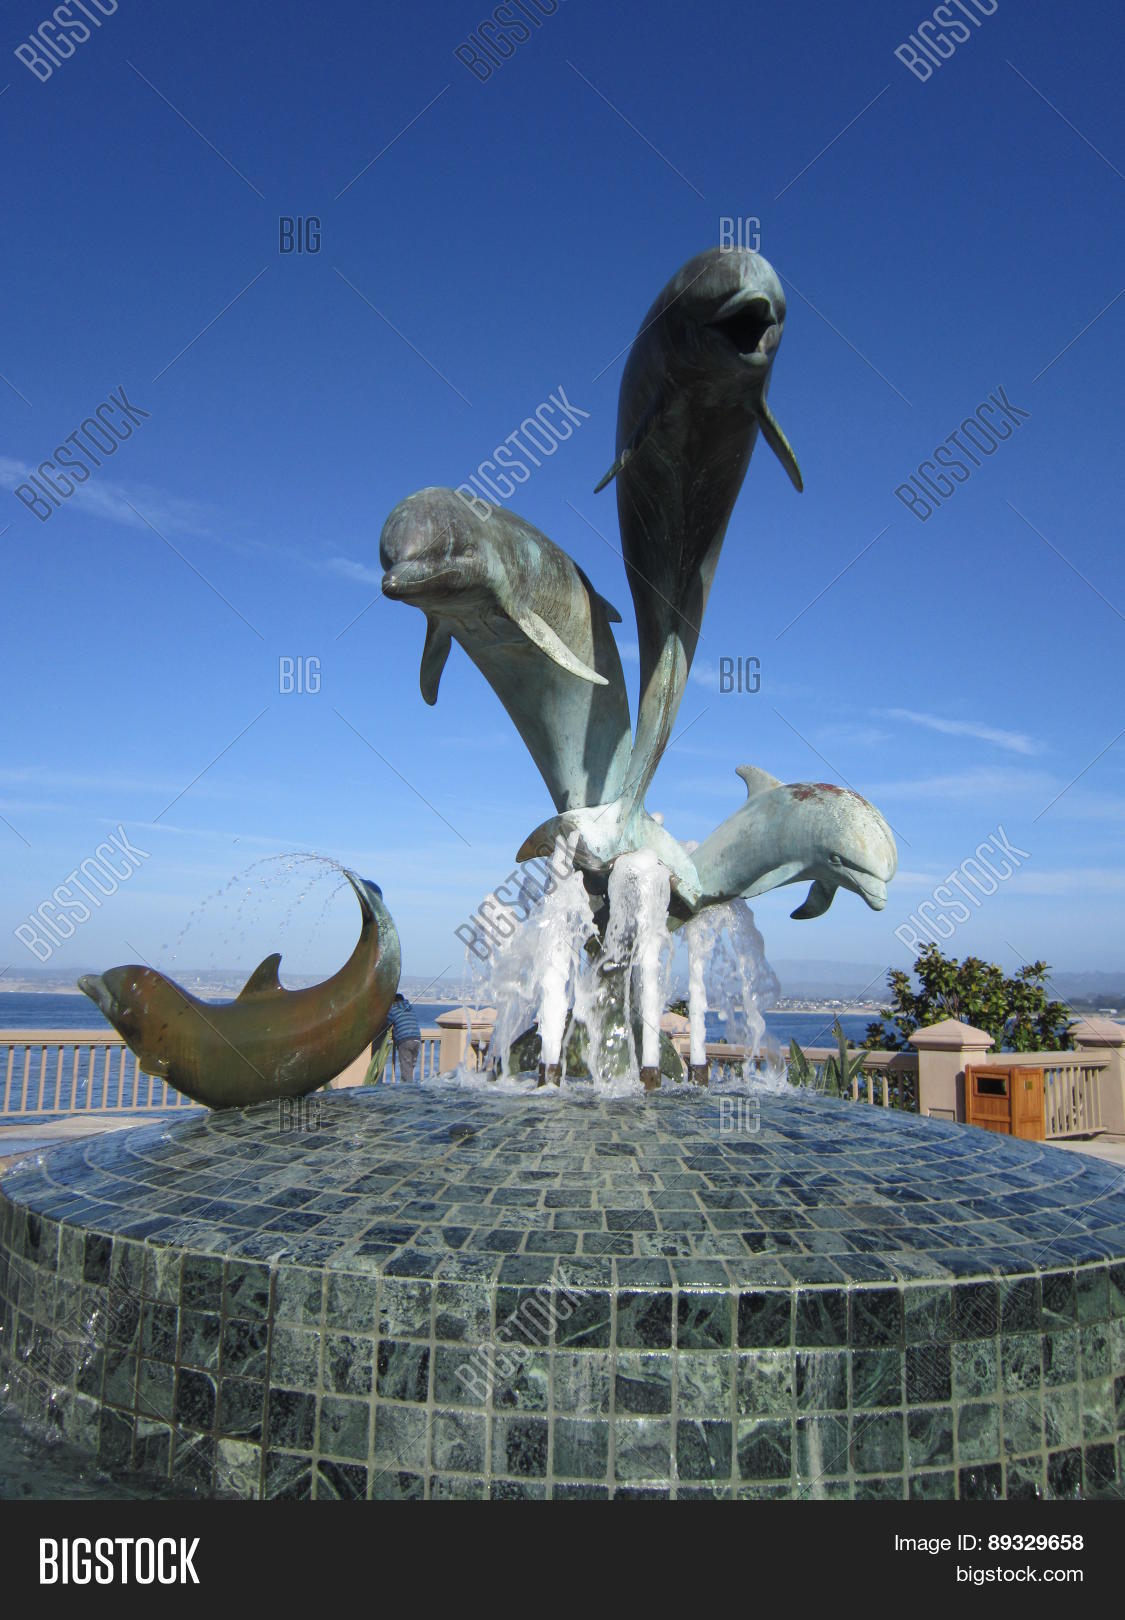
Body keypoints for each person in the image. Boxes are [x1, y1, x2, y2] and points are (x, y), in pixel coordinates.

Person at [386, 992, 421, 1083]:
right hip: (417, 1039)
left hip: (405, 1040)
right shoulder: (410, 1008)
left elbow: (387, 1023)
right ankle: (409, 1085)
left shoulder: (393, 1009)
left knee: (406, 1067)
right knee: (411, 1066)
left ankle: (408, 1090)